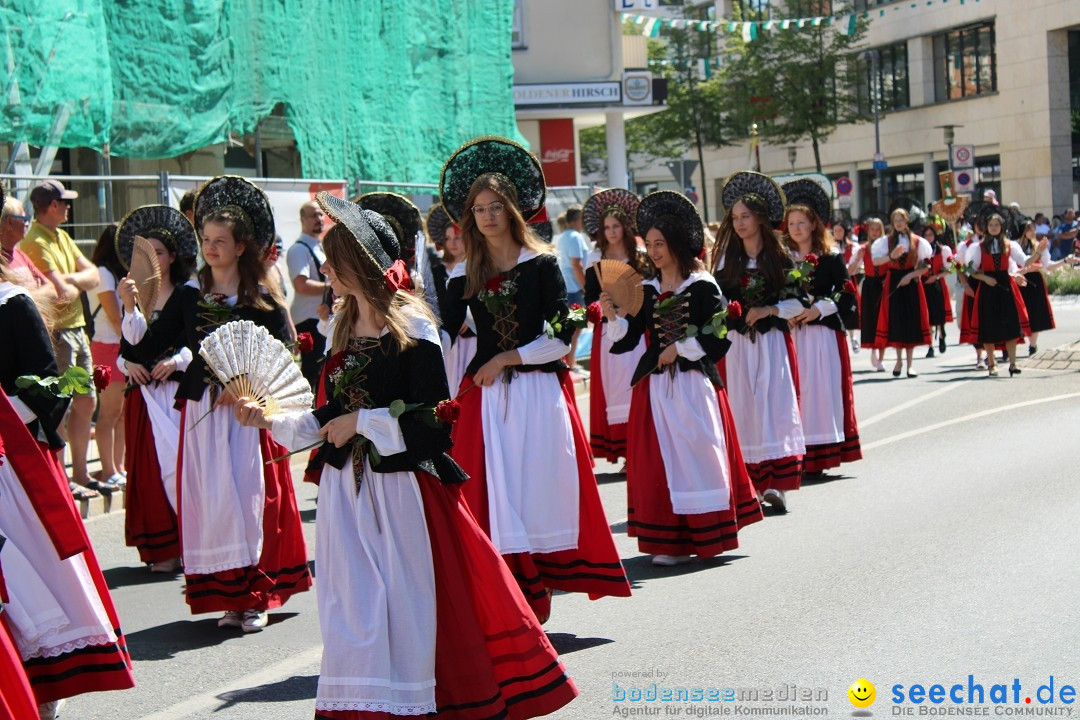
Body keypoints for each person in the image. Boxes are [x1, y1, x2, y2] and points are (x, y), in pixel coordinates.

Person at [235, 191, 578, 719]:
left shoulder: (414, 328)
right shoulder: (340, 328)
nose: (324, 268)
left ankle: (408, 704)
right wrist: (270, 420)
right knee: (353, 609)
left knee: (402, 606)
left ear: (359, 264)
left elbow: (432, 427)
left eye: (334, 258)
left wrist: (364, 423)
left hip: (400, 495)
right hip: (346, 497)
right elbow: (327, 418)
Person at [440, 137, 630, 623]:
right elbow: (439, 333)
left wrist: (506, 358)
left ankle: (539, 583)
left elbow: (561, 335)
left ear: (512, 210)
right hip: (486, 399)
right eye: (477, 209)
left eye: (494, 207)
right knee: (493, 493)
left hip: (538, 391)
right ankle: (510, 594)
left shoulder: (541, 263)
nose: (485, 216)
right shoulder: (463, 272)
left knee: (538, 489)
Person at [119, 176, 312, 630]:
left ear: (242, 246)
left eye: (220, 241)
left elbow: (285, 353)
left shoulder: (260, 298)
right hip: (202, 414)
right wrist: (131, 309)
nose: (210, 248)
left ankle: (257, 596)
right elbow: (147, 349)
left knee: (252, 501)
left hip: (247, 415)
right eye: (205, 240)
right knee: (214, 505)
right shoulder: (190, 294)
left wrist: (248, 386)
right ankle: (230, 597)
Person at [0, 184, 134, 716]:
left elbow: (47, 391)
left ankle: (44, 686)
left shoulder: (11, 304)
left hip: (17, 468)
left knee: (35, 576)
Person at [602, 190, 762, 565]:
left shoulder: (703, 286)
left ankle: (706, 531)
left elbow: (719, 335)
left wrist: (680, 348)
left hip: (692, 385)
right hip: (656, 389)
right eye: (651, 244)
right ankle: (670, 541)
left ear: (676, 244)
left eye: (661, 244)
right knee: (660, 461)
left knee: (697, 454)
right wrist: (612, 317)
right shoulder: (648, 290)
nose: (654, 251)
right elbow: (628, 341)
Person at [711, 171, 807, 513]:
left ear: (760, 219)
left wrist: (768, 309)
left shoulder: (779, 257)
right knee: (744, 409)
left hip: (771, 345)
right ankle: (749, 483)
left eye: (745, 217)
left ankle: (778, 484)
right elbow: (716, 300)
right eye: (734, 218)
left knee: (774, 407)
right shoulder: (725, 259)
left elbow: (800, 302)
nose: (739, 223)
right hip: (738, 346)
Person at [116, 205, 198, 574]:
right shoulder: (134, 301)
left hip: (176, 395)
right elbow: (127, 348)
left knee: (181, 469)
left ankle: (193, 542)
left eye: (159, 252)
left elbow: (195, 343)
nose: (152, 260)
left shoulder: (185, 296)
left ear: (172, 257)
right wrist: (126, 364)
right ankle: (163, 547)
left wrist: (177, 362)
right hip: (145, 397)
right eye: (145, 254)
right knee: (149, 472)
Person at [18, 178, 100, 498]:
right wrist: (72, 282)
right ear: (52, 206)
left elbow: (91, 276)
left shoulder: (62, 236)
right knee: (62, 407)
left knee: (86, 401)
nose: (68, 207)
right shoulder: (35, 241)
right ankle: (64, 478)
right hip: (59, 334)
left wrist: (69, 281)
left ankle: (80, 473)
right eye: (64, 202)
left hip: (77, 329)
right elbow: (62, 293)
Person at [781, 180, 862, 476]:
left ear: (814, 224)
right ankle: (795, 453)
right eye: (792, 223)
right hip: (792, 334)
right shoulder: (782, 259)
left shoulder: (830, 256)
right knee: (793, 391)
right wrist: (784, 312)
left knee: (818, 390)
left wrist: (820, 308)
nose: (797, 228)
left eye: (802, 222)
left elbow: (846, 290)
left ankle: (820, 455)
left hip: (821, 334)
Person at [582, 188, 648, 466]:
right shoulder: (594, 259)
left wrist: (627, 308)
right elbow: (588, 303)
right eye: (606, 227)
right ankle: (621, 450)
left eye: (616, 226)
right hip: (607, 332)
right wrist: (603, 307)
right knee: (613, 388)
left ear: (625, 227)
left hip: (636, 331)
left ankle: (638, 446)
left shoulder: (640, 256)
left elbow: (646, 295)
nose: (611, 232)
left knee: (635, 384)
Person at [967, 210, 1038, 376]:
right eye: (991, 225)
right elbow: (969, 268)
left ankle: (1013, 364)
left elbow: (1025, 262)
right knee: (989, 326)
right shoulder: (979, 247)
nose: (993, 227)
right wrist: (984, 278)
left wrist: (1038, 252)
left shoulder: (1010, 245)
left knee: (1011, 325)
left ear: (1002, 226)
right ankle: (992, 364)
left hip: (1005, 286)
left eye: (996, 224)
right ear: (986, 227)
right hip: (987, 288)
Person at [88, 223, 128, 492]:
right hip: (106, 347)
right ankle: (108, 469)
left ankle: (119, 467)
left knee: (122, 413)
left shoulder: (119, 274)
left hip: (120, 347)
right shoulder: (103, 273)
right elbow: (115, 318)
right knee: (109, 412)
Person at [871, 208, 932, 377]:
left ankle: (910, 365)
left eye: (901, 220)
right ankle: (898, 360)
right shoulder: (886, 241)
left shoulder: (917, 241)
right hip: (894, 282)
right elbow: (876, 261)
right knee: (896, 321)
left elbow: (926, 265)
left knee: (911, 321)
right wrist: (891, 256)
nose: (898, 223)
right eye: (896, 220)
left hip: (911, 281)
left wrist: (911, 276)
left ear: (906, 221)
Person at [428, 204, 476, 396]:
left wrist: (468, 318)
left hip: (473, 337)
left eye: (457, 237)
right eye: (448, 239)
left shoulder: (475, 268)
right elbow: (433, 301)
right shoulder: (437, 271)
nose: (452, 243)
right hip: (449, 338)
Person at [287, 200, 330, 392]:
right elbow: (301, 285)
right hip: (308, 322)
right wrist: (332, 286)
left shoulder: (318, 246)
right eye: (313, 215)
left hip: (320, 319)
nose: (319, 219)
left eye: (321, 214)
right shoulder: (299, 249)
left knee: (322, 371)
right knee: (311, 373)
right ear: (302, 220)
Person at [1016, 219, 1077, 354]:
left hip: (1035, 281)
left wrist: (1065, 260)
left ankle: (1033, 345)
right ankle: (1012, 343)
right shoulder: (1014, 246)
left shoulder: (1039, 246)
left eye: (1033, 229)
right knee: (1018, 312)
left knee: (1036, 313)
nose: (1033, 232)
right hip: (1018, 279)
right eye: (1029, 229)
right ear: (1023, 231)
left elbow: (1048, 265)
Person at [555, 204, 591, 376]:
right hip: (575, 289)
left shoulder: (563, 236)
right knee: (576, 328)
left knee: (571, 328)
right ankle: (571, 363)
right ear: (577, 219)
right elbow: (577, 265)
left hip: (566, 288)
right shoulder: (576, 237)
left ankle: (570, 362)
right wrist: (586, 287)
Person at [919, 217, 955, 358]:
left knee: (939, 314)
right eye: (926, 235)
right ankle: (930, 346)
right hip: (924, 285)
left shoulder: (943, 249)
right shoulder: (920, 251)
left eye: (931, 234)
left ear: (935, 235)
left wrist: (938, 276)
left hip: (938, 285)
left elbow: (953, 268)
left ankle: (941, 335)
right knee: (927, 315)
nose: (929, 237)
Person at [855, 216, 887, 371]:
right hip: (869, 285)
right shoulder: (863, 248)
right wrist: (857, 260)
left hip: (883, 284)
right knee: (870, 318)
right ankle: (874, 349)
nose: (875, 232)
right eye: (872, 229)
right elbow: (850, 270)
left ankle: (881, 356)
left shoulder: (887, 246)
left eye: (877, 229)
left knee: (883, 319)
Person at [1, 194, 50, 291]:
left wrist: (28, 296)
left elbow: (51, 289)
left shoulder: (20, 255)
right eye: (24, 219)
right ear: (10, 222)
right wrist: (35, 291)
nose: (28, 224)